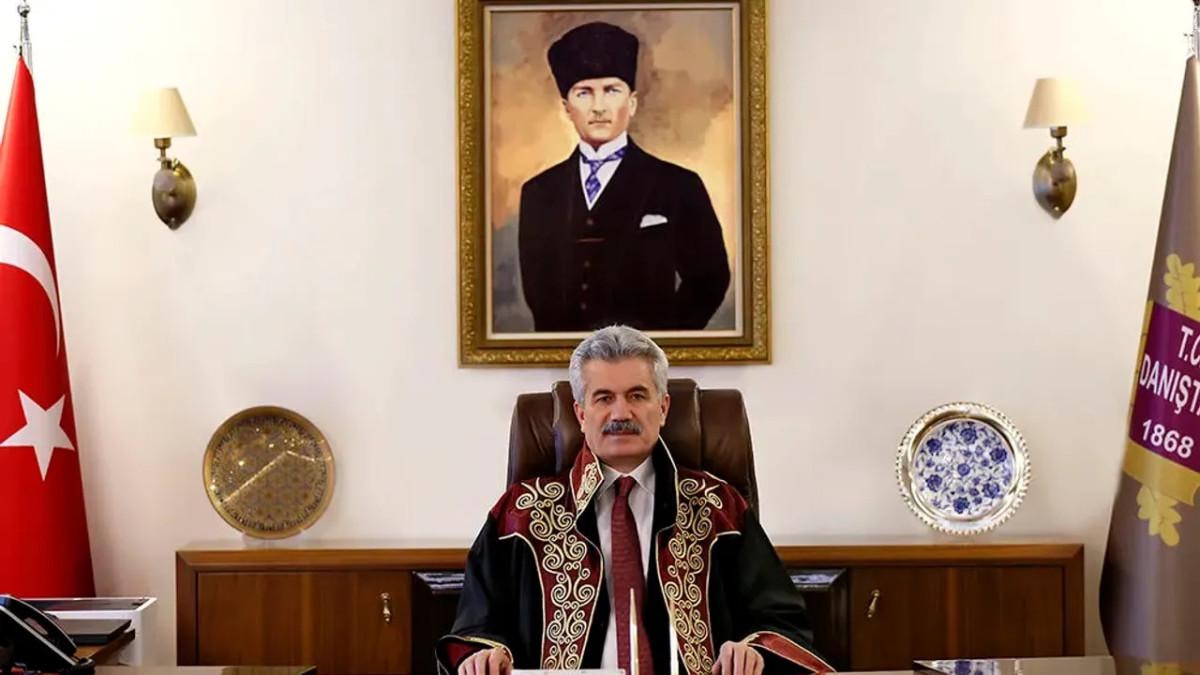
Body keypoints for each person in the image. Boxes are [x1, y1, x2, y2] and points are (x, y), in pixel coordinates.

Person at [438, 326, 831, 675]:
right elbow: (477, 627)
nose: (621, 412)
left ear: (663, 408)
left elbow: (782, 622)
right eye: (603, 398)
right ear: (580, 414)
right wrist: (486, 655)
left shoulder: (717, 508)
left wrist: (751, 651)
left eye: (637, 395)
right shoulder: (520, 514)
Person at [517, 22, 731, 332]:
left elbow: (710, 279)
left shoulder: (679, 186)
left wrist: (658, 343)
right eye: (584, 93)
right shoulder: (539, 192)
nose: (598, 107)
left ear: (631, 103)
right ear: (566, 107)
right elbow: (538, 291)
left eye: (611, 91)